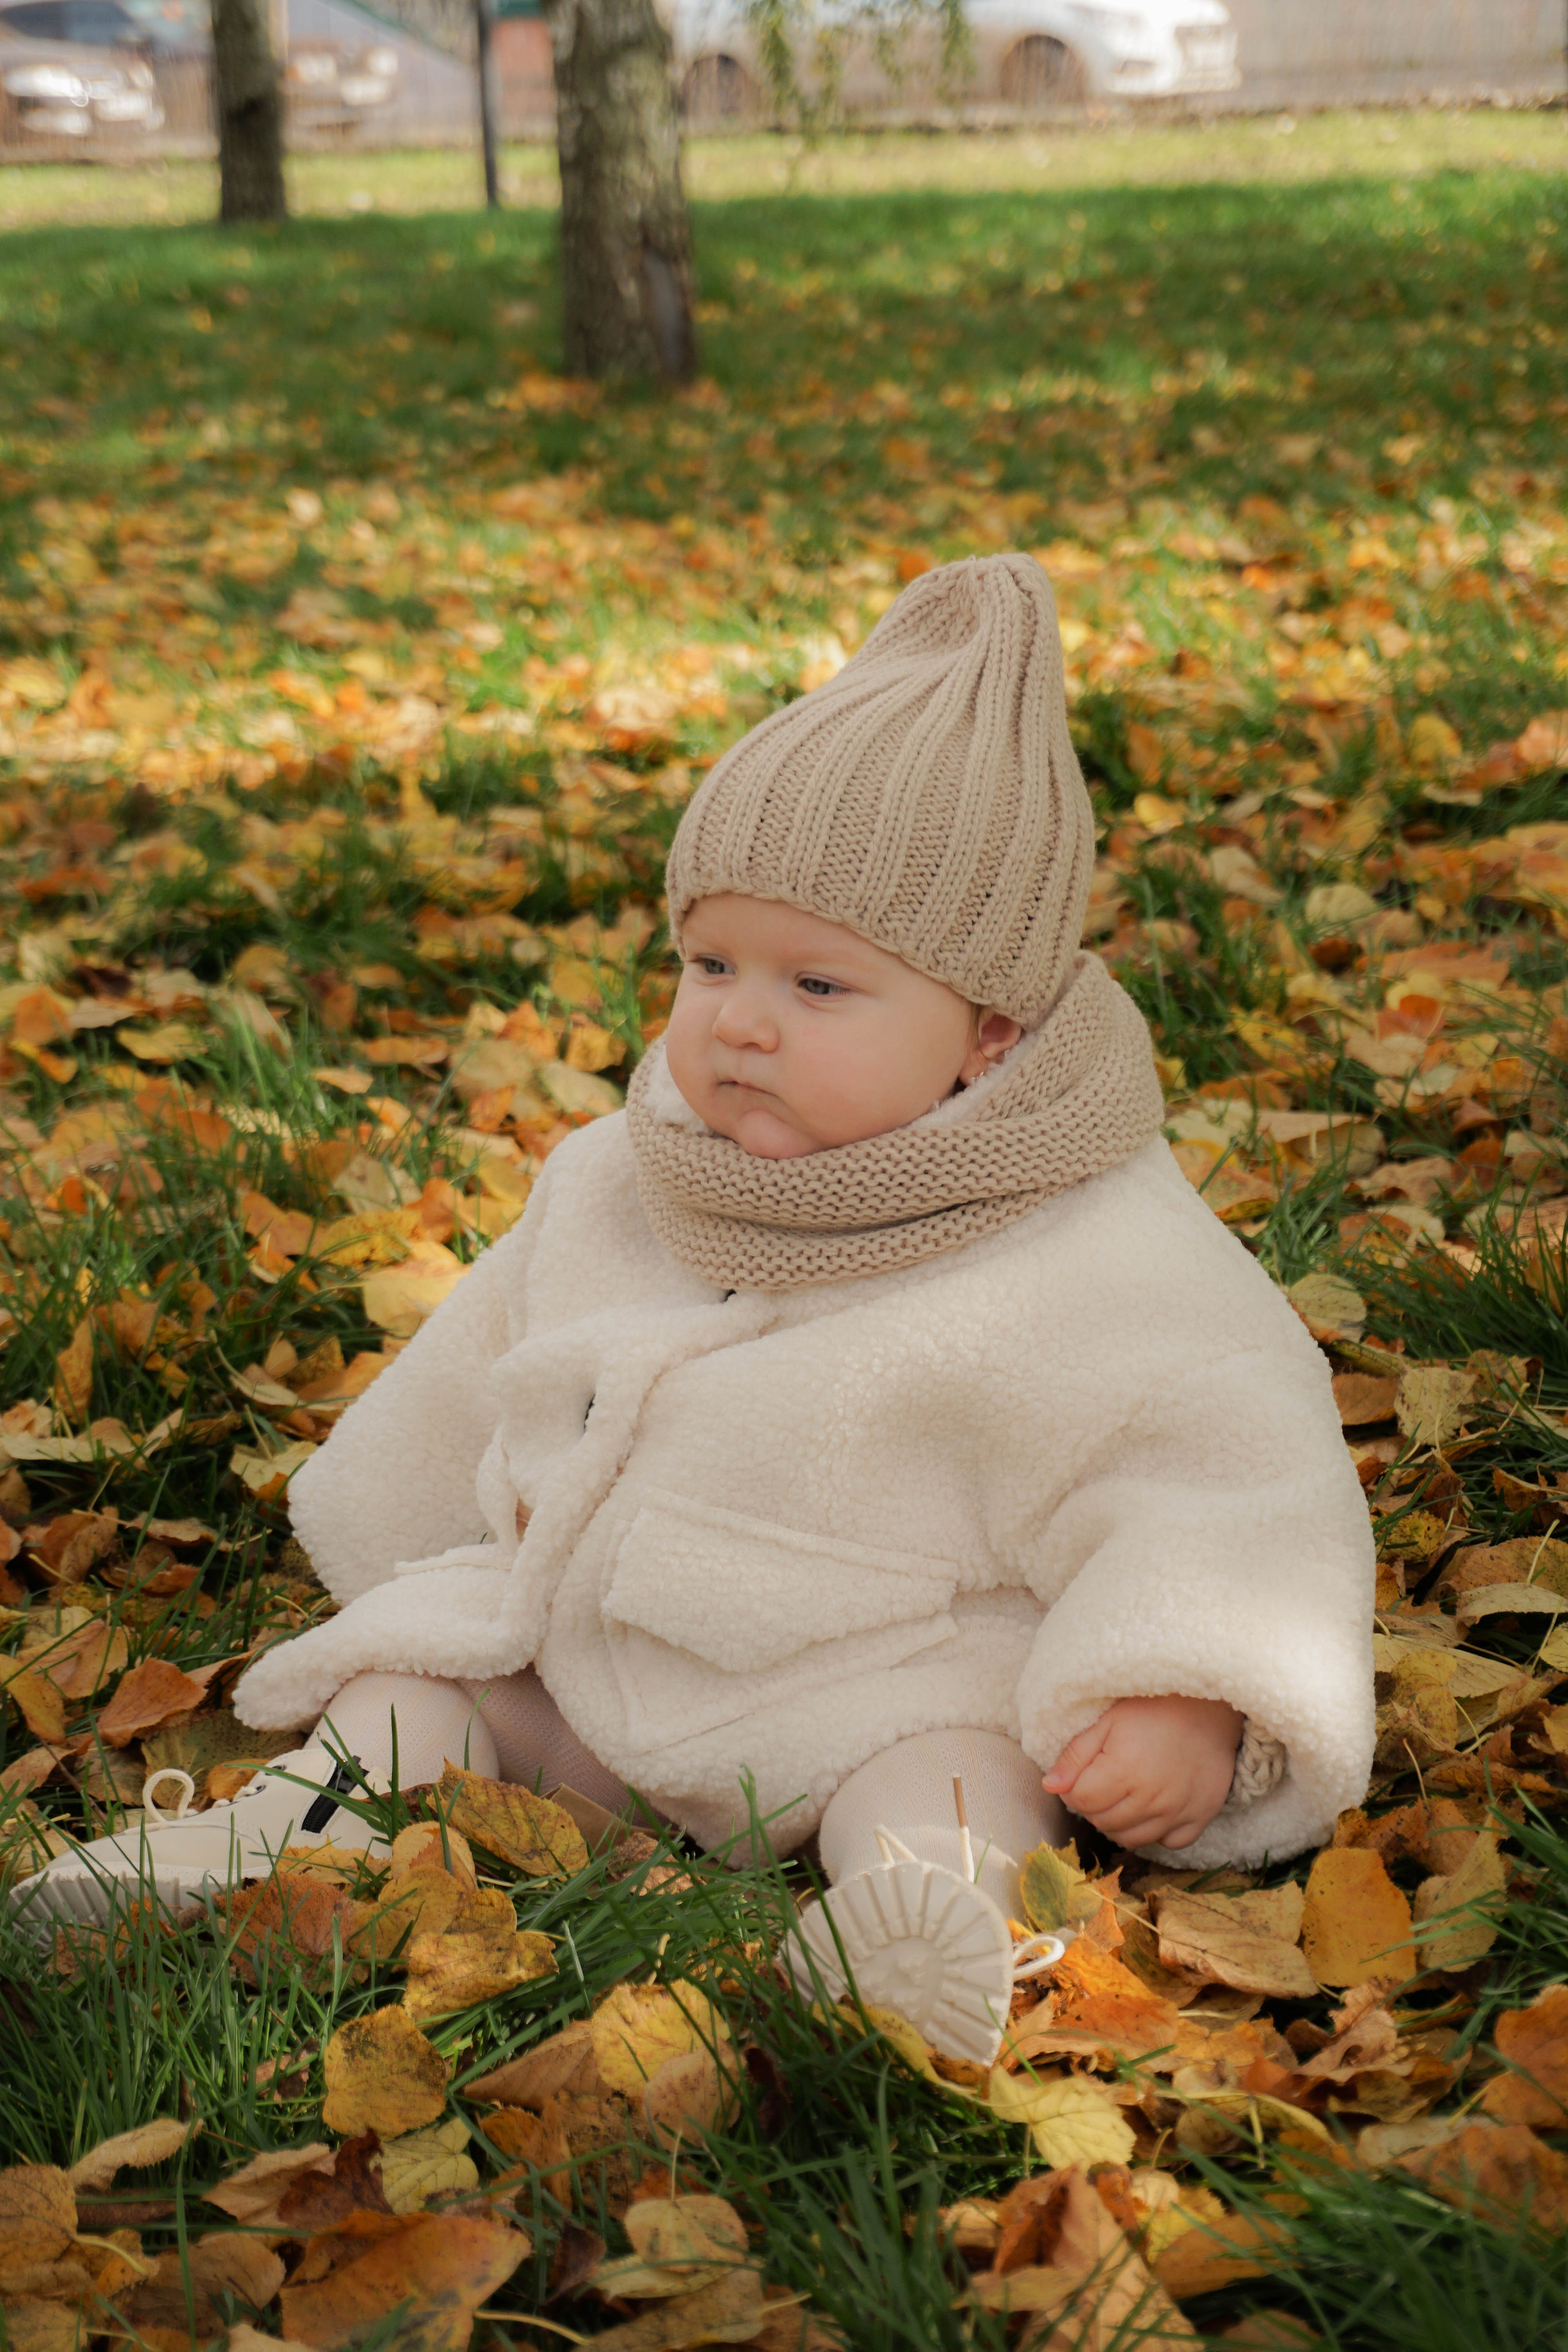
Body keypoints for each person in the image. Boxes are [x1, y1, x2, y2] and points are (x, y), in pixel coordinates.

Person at [15, 554, 1374, 2064]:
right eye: (709, 961)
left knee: (954, 1772)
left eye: (818, 987)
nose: (737, 1019)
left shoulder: (1094, 1246)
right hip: (584, 1659)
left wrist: (1188, 1693)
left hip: (881, 1682)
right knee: (424, 1686)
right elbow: (495, 1356)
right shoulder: (628, 1172)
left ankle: (914, 1922)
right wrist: (405, 1542)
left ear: (988, 1033)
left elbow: (1221, 1469)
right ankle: (287, 1827)